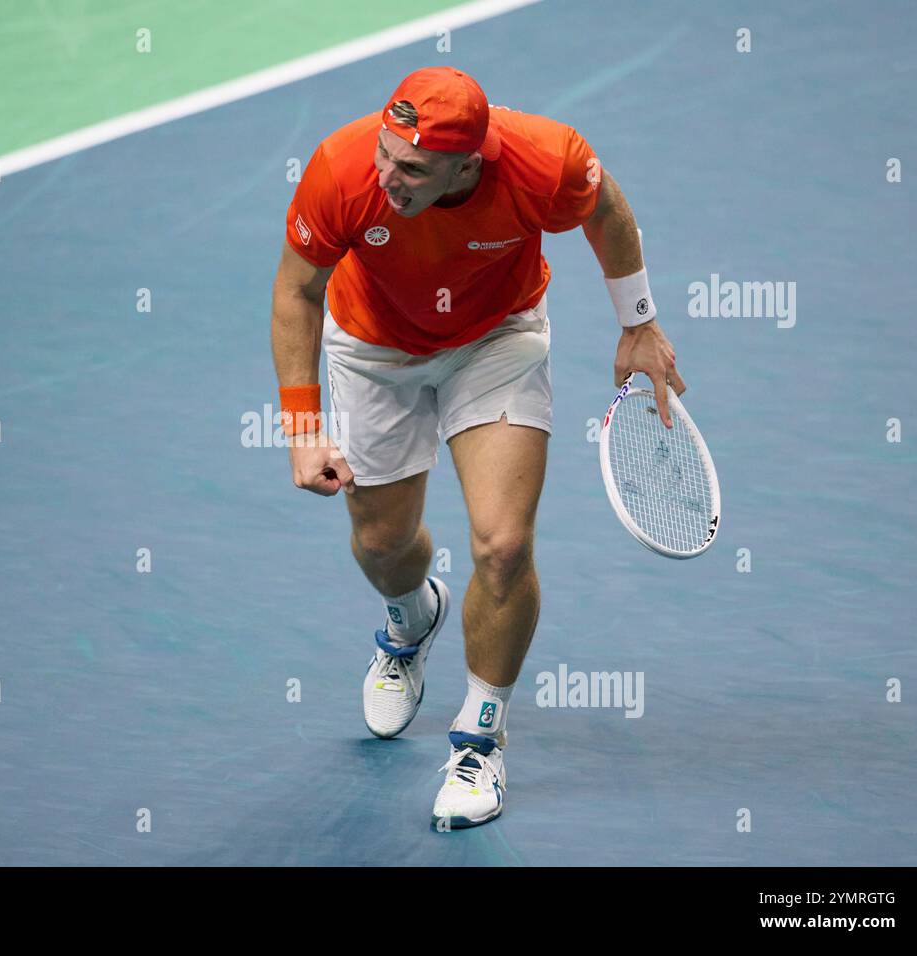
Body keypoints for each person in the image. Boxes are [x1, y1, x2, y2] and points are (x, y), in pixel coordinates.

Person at [270, 66, 683, 828]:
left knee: (502, 545)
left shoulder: (543, 159)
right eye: (388, 154)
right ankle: (409, 619)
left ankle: (480, 739)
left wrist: (638, 319)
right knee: (383, 541)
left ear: (470, 164)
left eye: (414, 168)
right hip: (373, 348)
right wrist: (302, 428)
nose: (388, 175)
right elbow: (298, 289)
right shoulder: (341, 167)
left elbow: (606, 208)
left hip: (497, 339)